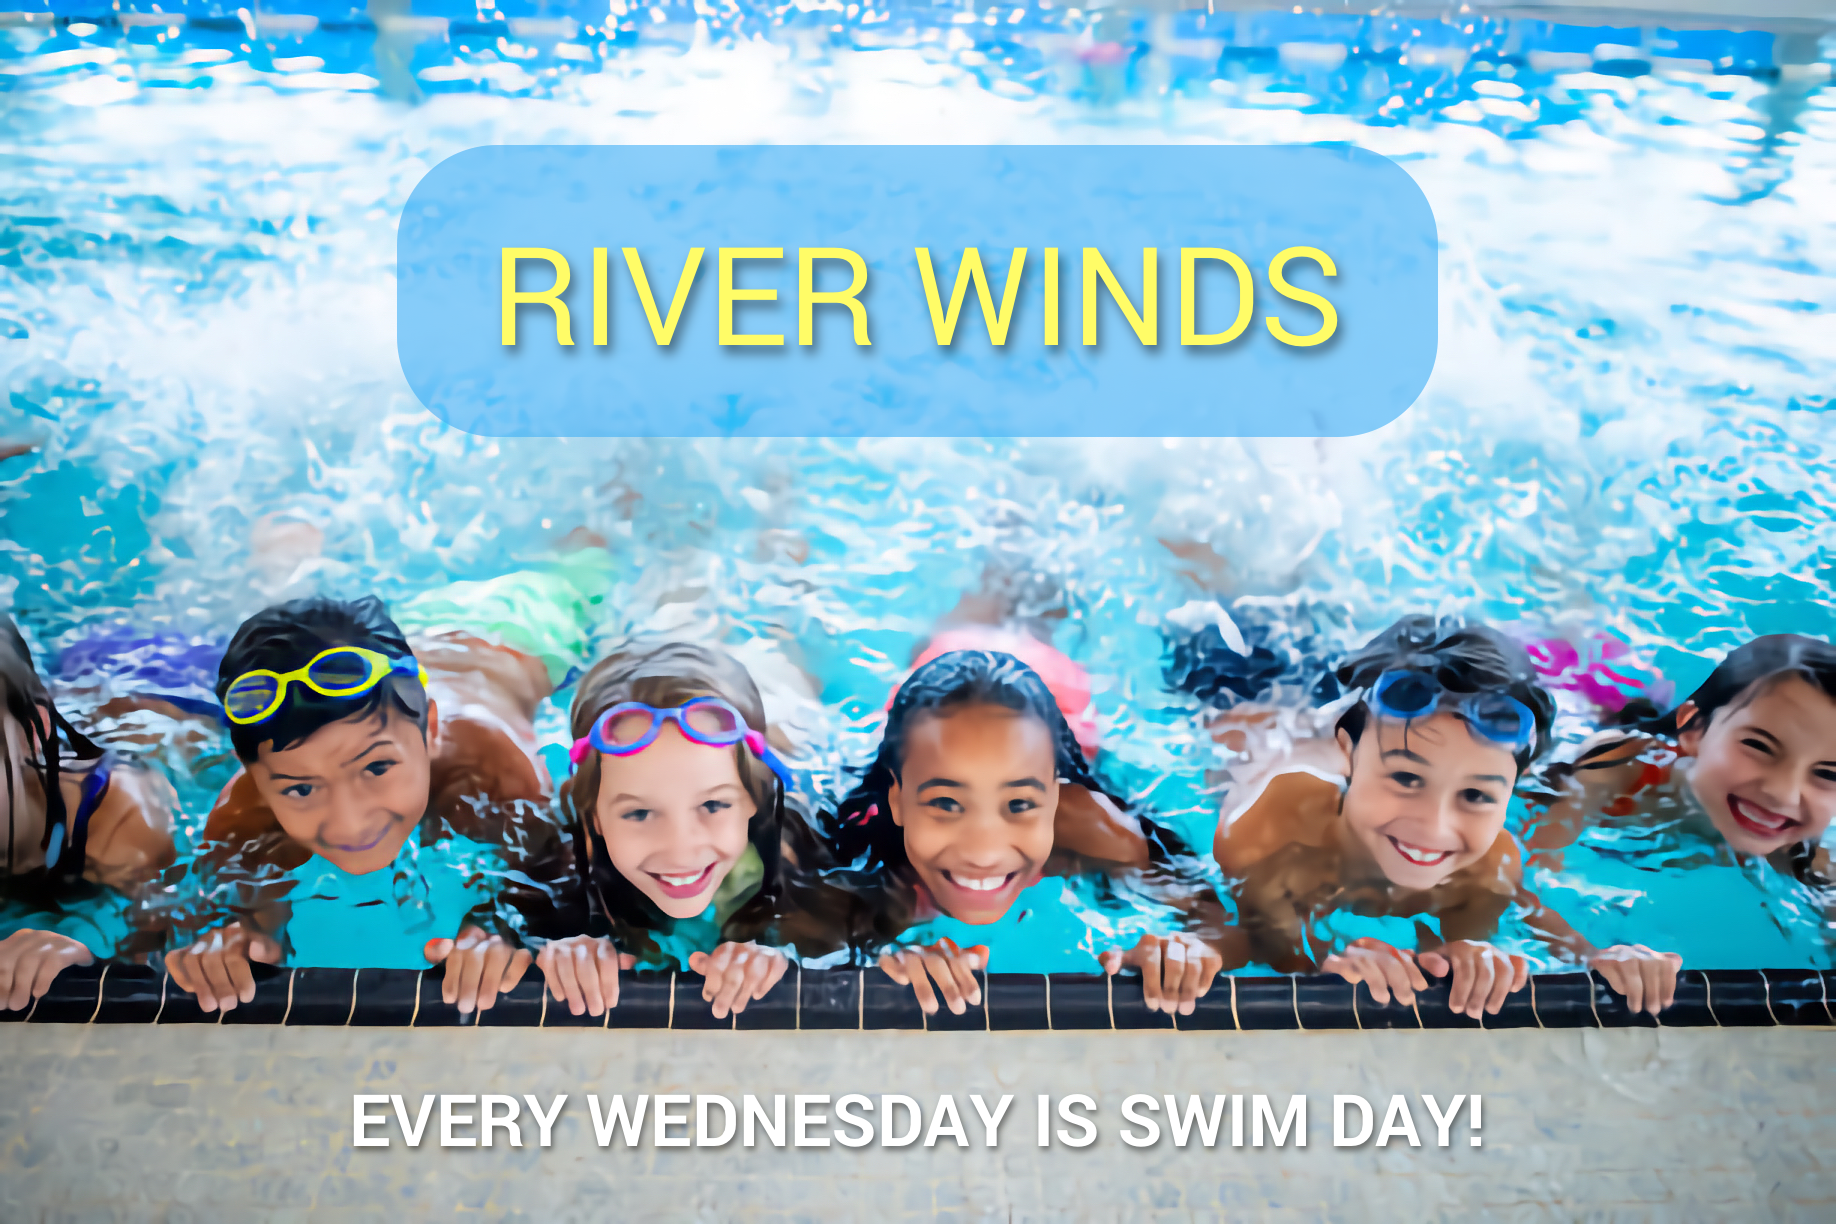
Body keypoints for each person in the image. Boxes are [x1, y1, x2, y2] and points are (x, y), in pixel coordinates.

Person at [1212, 614, 1684, 1018]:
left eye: (1477, 795)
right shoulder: (1266, 831)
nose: (1434, 827)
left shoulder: (1488, 865)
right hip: (1239, 686)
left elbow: (1536, 942)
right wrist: (1325, 965)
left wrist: (1609, 961)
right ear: (1348, 754)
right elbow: (1264, 944)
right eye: (1405, 779)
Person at [160, 586, 586, 1016]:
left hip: (521, 632)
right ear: (256, 776)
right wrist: (229, 936)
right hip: (416, 633)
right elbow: (207, 915)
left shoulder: (493, 771)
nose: (349, 822)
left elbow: (559, 896)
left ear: (431, 730)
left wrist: (502, 932)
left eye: (377, 768)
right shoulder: (242, 815)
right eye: (301, 789)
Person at [820, 648, 1225, 1018]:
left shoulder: (1095, 829)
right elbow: (810, 955)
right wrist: (886, 964)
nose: (984, 852)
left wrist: (1189, 951)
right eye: (945, 803)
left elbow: (1214, 920)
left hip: (1060, 687)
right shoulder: (863, 858)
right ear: (898, 800)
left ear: (1053, 797)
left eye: (1019, 805)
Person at [534, 640, 818, 1021]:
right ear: (594, 815)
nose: (680, 849)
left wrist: (785, 953)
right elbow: (507, 925)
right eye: (638, 813)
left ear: (755, 797)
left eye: (714, 805)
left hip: (792, 715)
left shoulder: (810, 855)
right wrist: (560, 948)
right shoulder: (557, 865)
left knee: (786, 669)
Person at [1522, 634, 1836, 883]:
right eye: (1759, 746)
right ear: (1694, 729)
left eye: (1829, 774)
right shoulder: (1621, 772)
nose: (1782, 793)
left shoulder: (1796, 847)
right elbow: (1534, 865)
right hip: (1590, 722)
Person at [0, 614, 177, 1009]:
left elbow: (156, 931)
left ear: (33, 732)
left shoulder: (120, 822)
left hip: (152, 706)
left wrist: (89, 940)